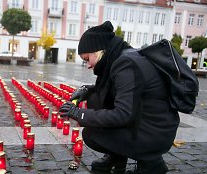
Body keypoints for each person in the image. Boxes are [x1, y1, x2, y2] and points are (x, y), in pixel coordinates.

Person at [59, 21, 179, 174]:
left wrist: (78, 113)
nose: (88, 65)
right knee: (96, 99)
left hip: (155, 132)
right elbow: (118, 91)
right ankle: (117, 157)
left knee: (91, 134)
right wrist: (87, 90)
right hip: (150, 124)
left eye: (87, 59)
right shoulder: (120, 57)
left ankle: (151, 164)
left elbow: (123, 114)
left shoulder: (125, 64)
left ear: (98, 51)